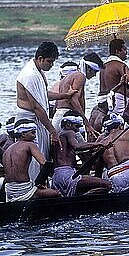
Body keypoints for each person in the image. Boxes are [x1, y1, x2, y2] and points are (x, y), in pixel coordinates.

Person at [16, 41, 77, 179]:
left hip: (38, 119)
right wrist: (52, 131)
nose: (51, 65)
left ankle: (41, 184)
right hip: (29, 120)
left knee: (42, 155)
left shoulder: (39, 72)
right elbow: (37, 107)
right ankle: (33, 187)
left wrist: (65, 95)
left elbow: (44, 94)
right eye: (49, 61)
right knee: (34, 160)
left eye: (53, 62)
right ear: (40, 58)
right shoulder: (30, 75)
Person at [51, 111, 111, 196]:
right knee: (107, 185)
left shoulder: (57, 137)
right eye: (76, 126)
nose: (78, 130)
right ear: (68, 124)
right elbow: (76, 146)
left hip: (56, 177)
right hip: (67, 175)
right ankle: (82, 198)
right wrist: (99, 143)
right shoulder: (69, 132)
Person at [2, 119, 61, 201]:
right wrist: (40, 183)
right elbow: (45, 164)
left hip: (9, 190)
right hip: (24, 189)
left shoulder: (8, 150)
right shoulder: (30, 145)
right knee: (56, 193)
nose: (35, 136)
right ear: (23, 134)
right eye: (33, 133)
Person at [52, 52, 104, 138]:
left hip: (59, 116)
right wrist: (87, 123)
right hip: (66, 118)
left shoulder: (69, 76)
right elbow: (73, 100)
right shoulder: (80, 76)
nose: (94, 75)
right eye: (95, 71)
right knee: (81, 147)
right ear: (88, 68)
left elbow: (57, 105)